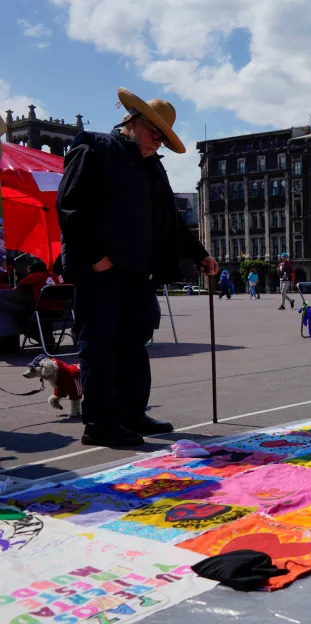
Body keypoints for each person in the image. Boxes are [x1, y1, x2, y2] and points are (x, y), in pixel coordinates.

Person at [56, 87, 218, 447]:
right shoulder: (94, 148)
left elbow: (172, 222)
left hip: (138, 271)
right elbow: (69, 206)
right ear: (133, 121)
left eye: (163, 137)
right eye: (154, 132)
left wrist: (199, 254)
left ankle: (132, 414)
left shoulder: (152, 168)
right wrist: (95, 256)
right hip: (100, 269)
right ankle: (99, 423)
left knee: (133, 344)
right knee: (99, 345)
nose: (157, 142)